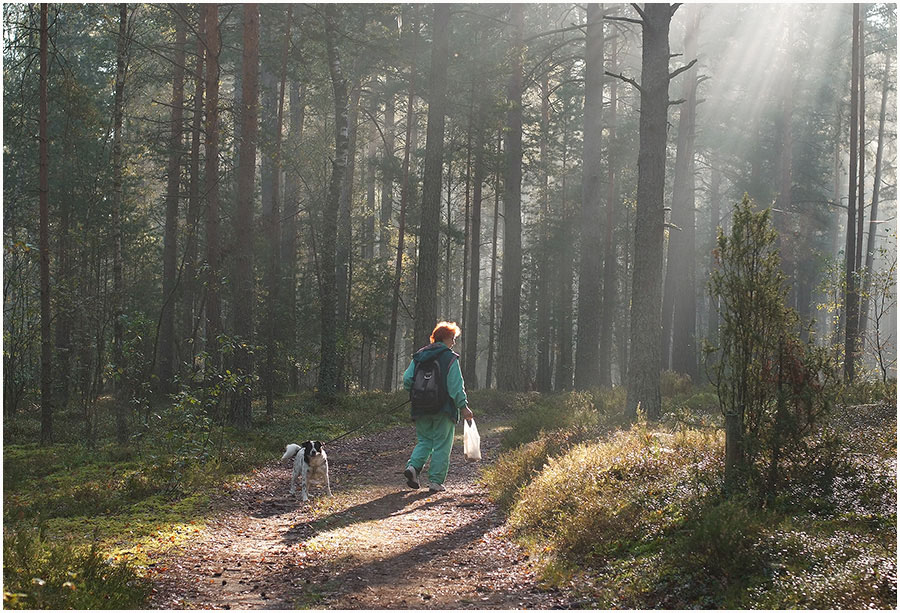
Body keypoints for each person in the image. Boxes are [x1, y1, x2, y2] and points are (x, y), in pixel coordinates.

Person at [402, 321, 474, 492]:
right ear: (446, 338)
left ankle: (413, 467)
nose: (454, 342)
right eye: (453, 338)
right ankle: (435, 482)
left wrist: (417, 393)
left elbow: (407, 379)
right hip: (444, 408)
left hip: (420, 407)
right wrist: (463, 407)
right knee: (442, 444)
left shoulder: (419, 355)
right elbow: (456, 385)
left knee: (425, 440)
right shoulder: (449, 358)